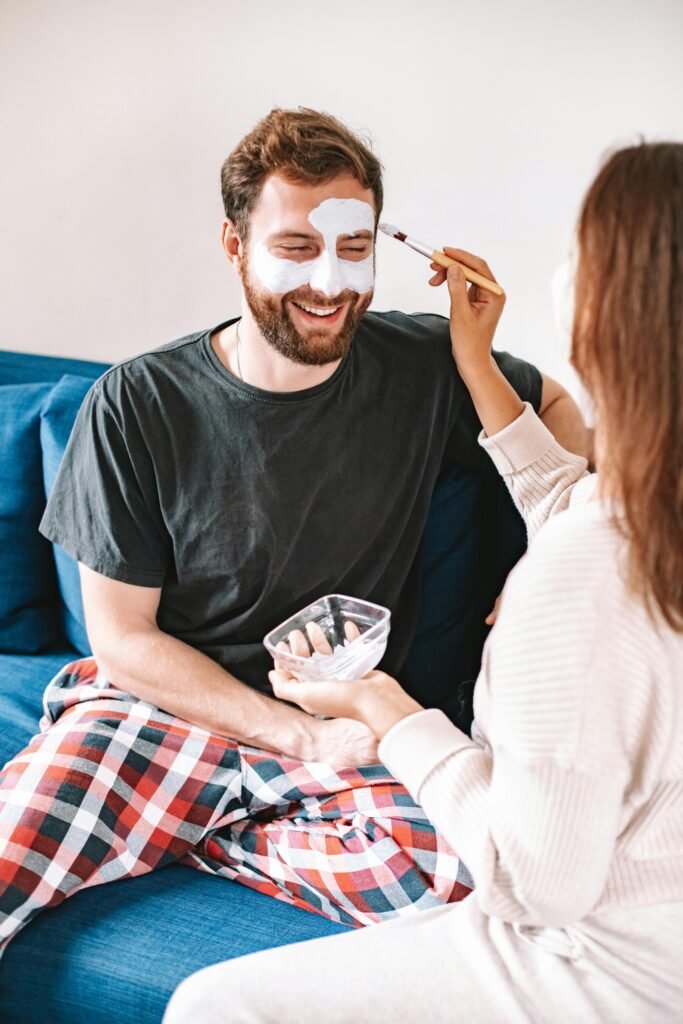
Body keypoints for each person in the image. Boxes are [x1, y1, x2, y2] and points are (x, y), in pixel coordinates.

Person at [0, 108, 586, 951]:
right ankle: (186, 815)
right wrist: (294, 736)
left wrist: (546, 547)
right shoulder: (137, 403)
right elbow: (123, 638)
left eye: (354, 250)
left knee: (467, 886)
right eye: (296, 249)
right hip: (166, 715)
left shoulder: (425, 366)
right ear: (235, 247)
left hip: (348, 733)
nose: (330, 283)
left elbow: (561, 420)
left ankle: (197, 833)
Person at [164, 142, 683, 1024]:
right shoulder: (638, 512)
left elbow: (535, 885)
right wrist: (474, 358)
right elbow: (574, 496)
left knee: (214, 1007)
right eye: (295, 246)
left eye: (575, 254)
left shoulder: (577, 578)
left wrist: (384, 711)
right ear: (234, 245)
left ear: (609, 309)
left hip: (609, 968)